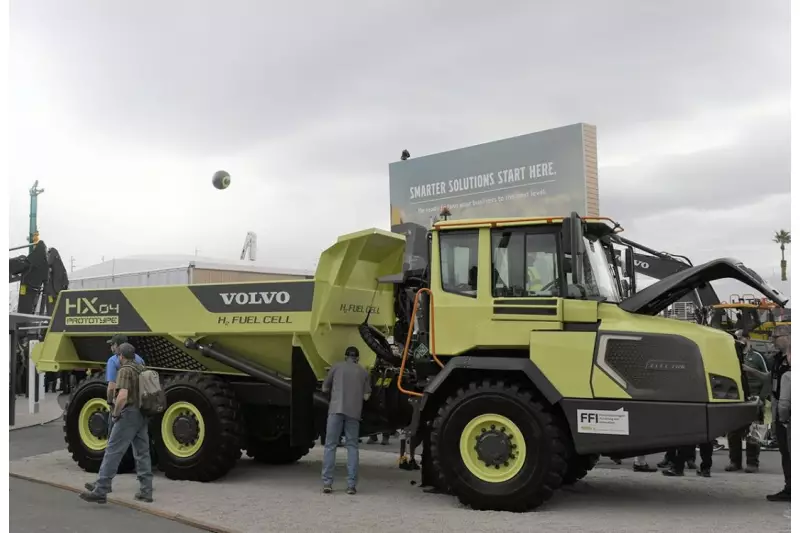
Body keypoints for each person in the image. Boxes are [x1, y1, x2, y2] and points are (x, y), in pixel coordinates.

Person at [79, 343, 153, 504]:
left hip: (128, 414)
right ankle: (146, 491)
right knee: (142, 452)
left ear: (121, 356)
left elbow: (122, 396)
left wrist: (115, 413)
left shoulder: (125, 370)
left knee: (113, 451)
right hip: (142, 413)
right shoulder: (141, 367)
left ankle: (102, 489)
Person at [321, 346, 371, 495]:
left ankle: (327, 483)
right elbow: (367, 396)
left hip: (336, 410)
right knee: (352, 447)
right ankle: (351, 485)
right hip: (354, 413)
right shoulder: (363, 371)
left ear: (345, 356)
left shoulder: (336, 367)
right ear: (357, 358)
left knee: (330, 446)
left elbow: (324, 388)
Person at [725, 331, 768, 473]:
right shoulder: (731, 355)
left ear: (748, 339)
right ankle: (735, 461)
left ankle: (752, 463)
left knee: (753, 432)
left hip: (754, 397)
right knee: (733, 431)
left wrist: (762, 398)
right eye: (736, 338)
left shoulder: (757, 356)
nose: (738, 341)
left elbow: (767, 378)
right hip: (737, 398)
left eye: (741, 338)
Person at [767, 335, 791, 502]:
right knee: (785, 453)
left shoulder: (788, 371)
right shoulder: (776, 360)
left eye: (776, 337)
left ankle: (790, 489)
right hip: (779, 409)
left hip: (787, 415)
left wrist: (782, 418)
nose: (773, 340)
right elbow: (770, 379)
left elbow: (784, 402)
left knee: (789, 453)